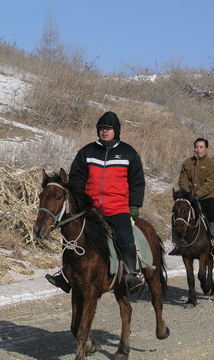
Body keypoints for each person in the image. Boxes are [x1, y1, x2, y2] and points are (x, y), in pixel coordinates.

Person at [45, 111, 146, 294]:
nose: (104, 132)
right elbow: (76, 180)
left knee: (124, 234)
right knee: (74, 238)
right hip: (91, 209)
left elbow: (137, 181)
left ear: (116, 130)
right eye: (101, 129)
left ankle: (132, 273)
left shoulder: (128, 153)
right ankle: (66, 275)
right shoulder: (87, 152)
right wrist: (80, 203)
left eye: (108, 129)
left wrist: (134, 206)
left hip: (117, 207)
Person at [169, 138, 214, 257]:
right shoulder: (187, 163)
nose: (198, 149)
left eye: (201, 147)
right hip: (189, 197)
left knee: (213, 217)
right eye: (196, 147)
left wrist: (197, 195)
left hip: (206, 197)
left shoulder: (212, 164)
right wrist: (187, 193)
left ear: (206, 149)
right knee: (177, 215)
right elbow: (183, 179)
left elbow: (210, 183)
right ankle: (178, 244)